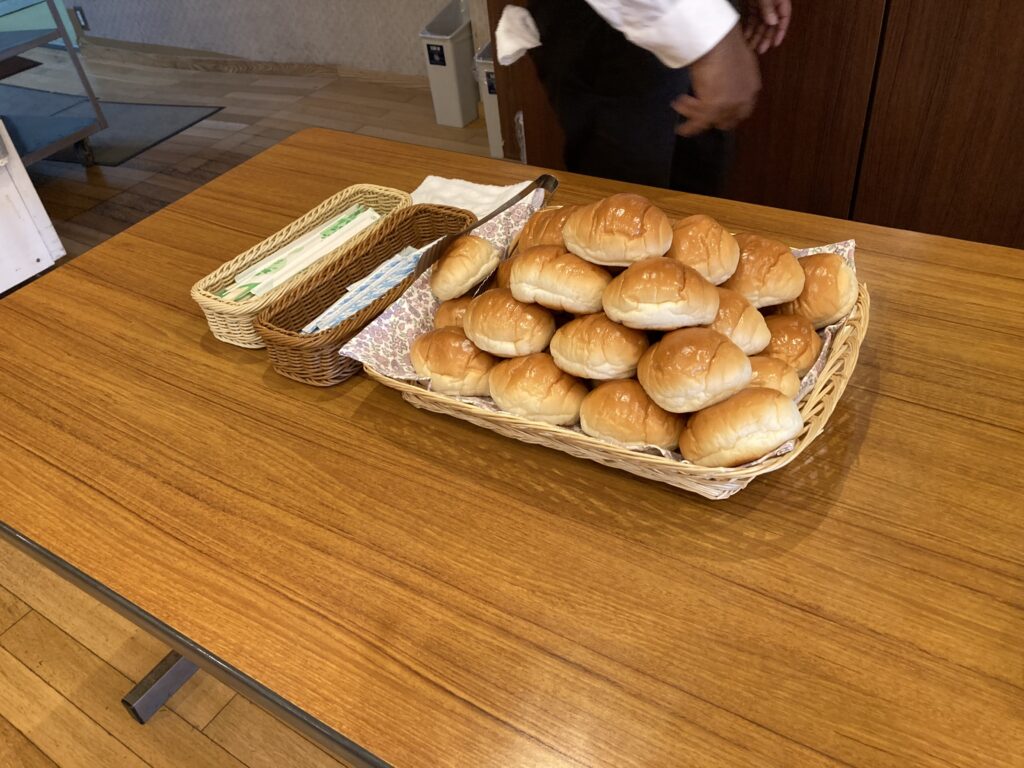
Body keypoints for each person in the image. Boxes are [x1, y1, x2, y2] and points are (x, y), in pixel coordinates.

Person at [495, 0, 791, 195]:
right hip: (622, 19)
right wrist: (711, 39)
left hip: (706, 18)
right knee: (623, 220)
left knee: (696, 208)